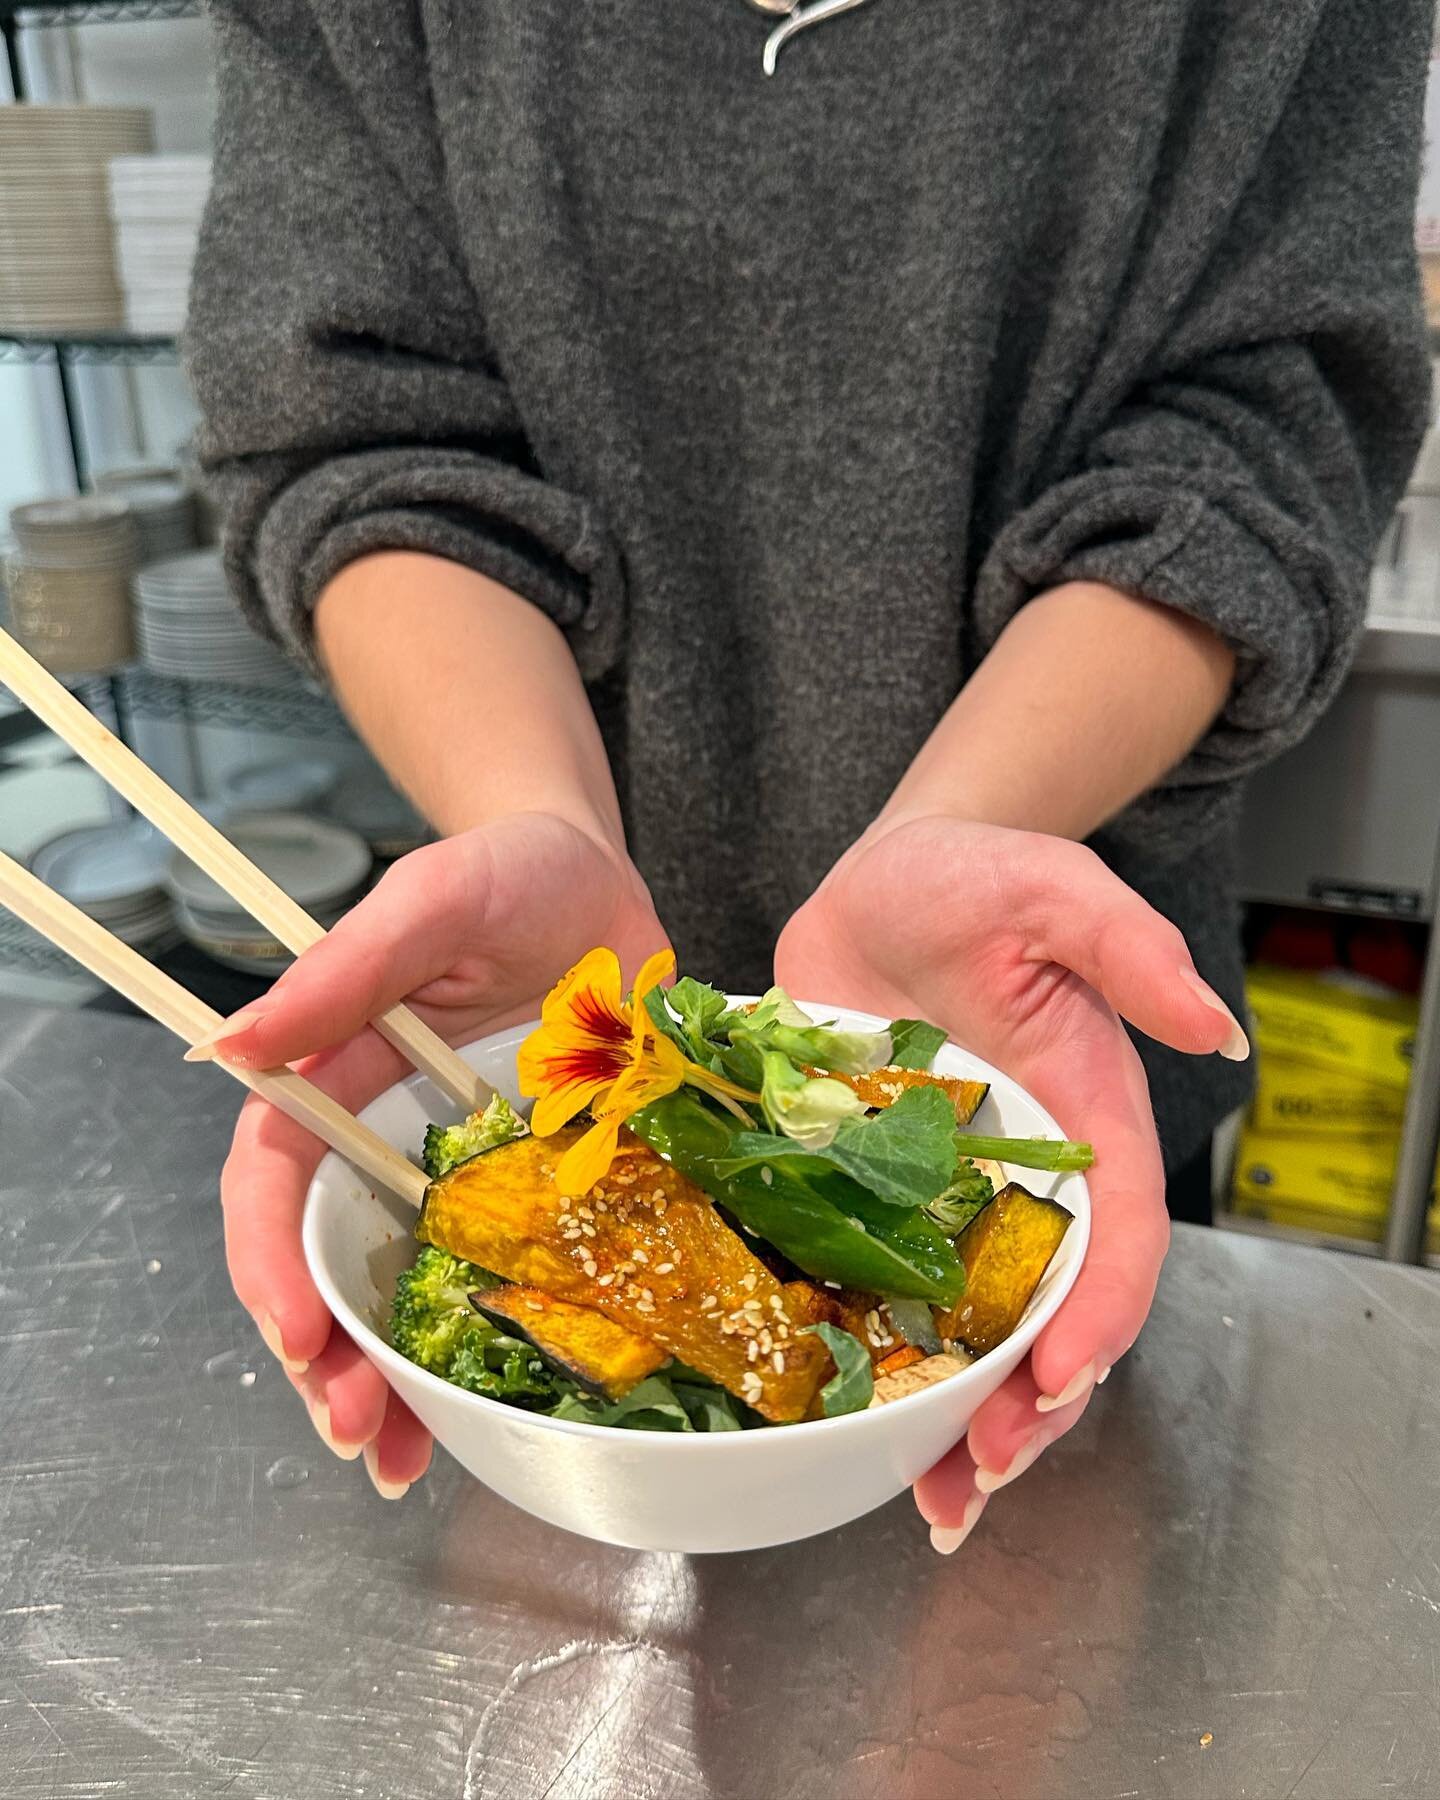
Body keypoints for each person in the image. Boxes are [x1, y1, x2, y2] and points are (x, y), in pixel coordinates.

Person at [183, 0, 1431, 1548]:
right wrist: (535, 820)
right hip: (527, 1023)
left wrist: (964, 829)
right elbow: (351, 429)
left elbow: (1264, 428)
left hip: (1033, 1044)